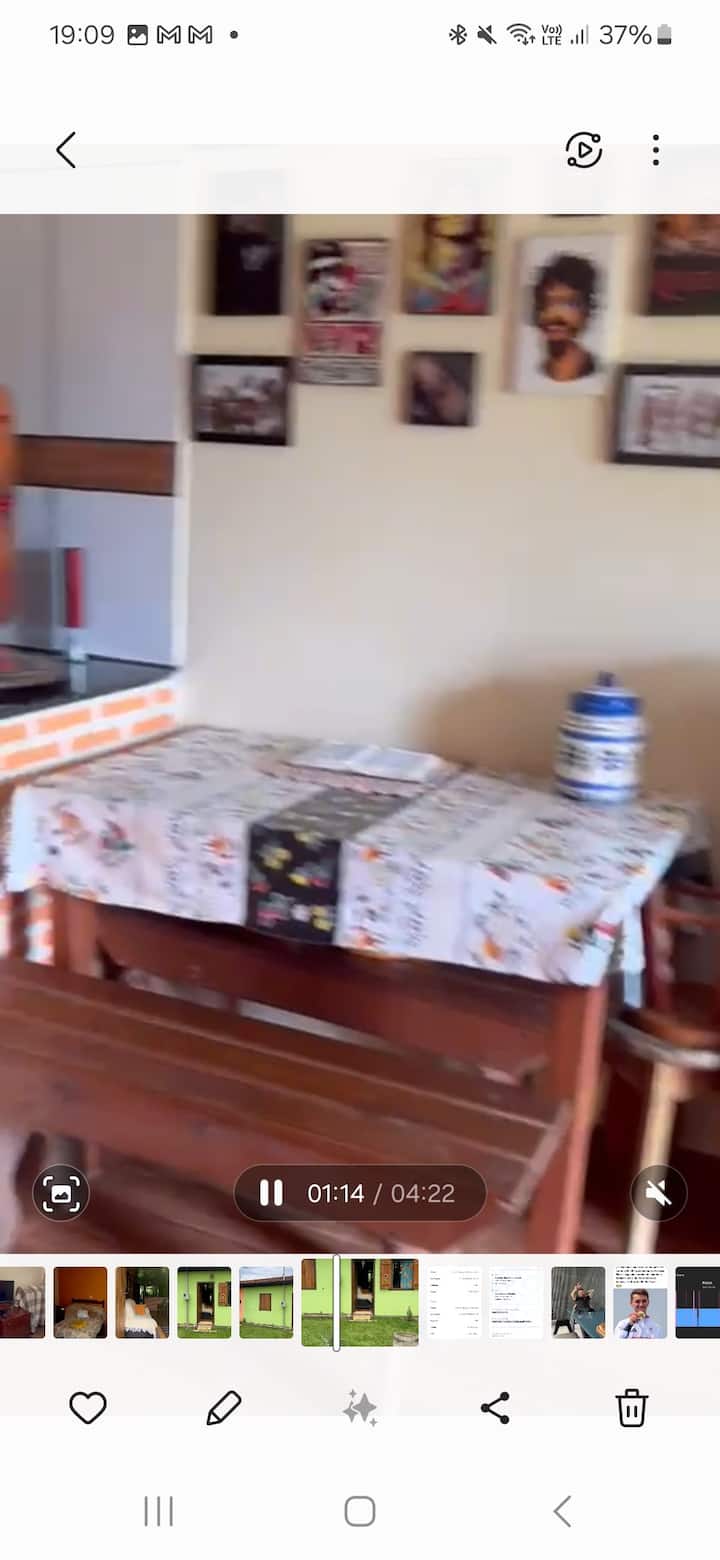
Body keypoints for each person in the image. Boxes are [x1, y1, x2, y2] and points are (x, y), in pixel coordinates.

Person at [531, 253, 601, 385]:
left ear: (586, 311)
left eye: (569, 303)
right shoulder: (537, 371)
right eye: (548, 302)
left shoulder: (595, 369)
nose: (555, 314)